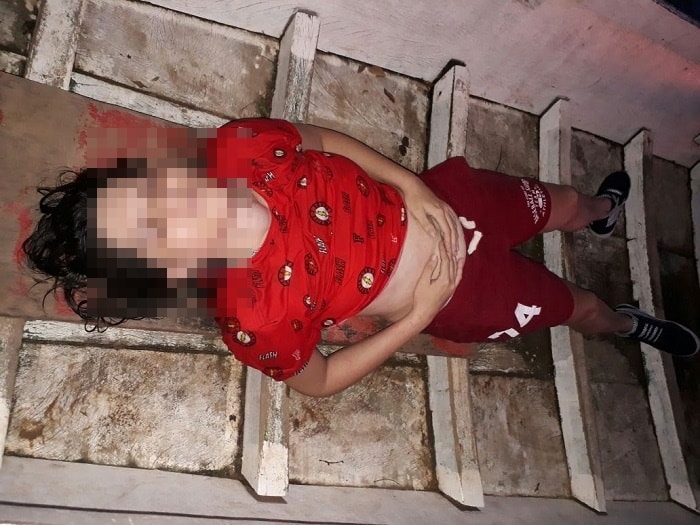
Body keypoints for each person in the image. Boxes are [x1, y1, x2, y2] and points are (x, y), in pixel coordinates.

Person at [22, 118, 699, 397]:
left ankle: (600, 213)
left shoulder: (237, 148)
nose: (175, 201)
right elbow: (318, 380)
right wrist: (419, 318)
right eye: (156, 229)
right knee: (574, 305)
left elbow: (319, 138)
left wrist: (410, 185)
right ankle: (622, 321)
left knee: (561, 201)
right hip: (457, 292)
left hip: (449, 200)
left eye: (149, 191)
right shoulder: (252, 316)